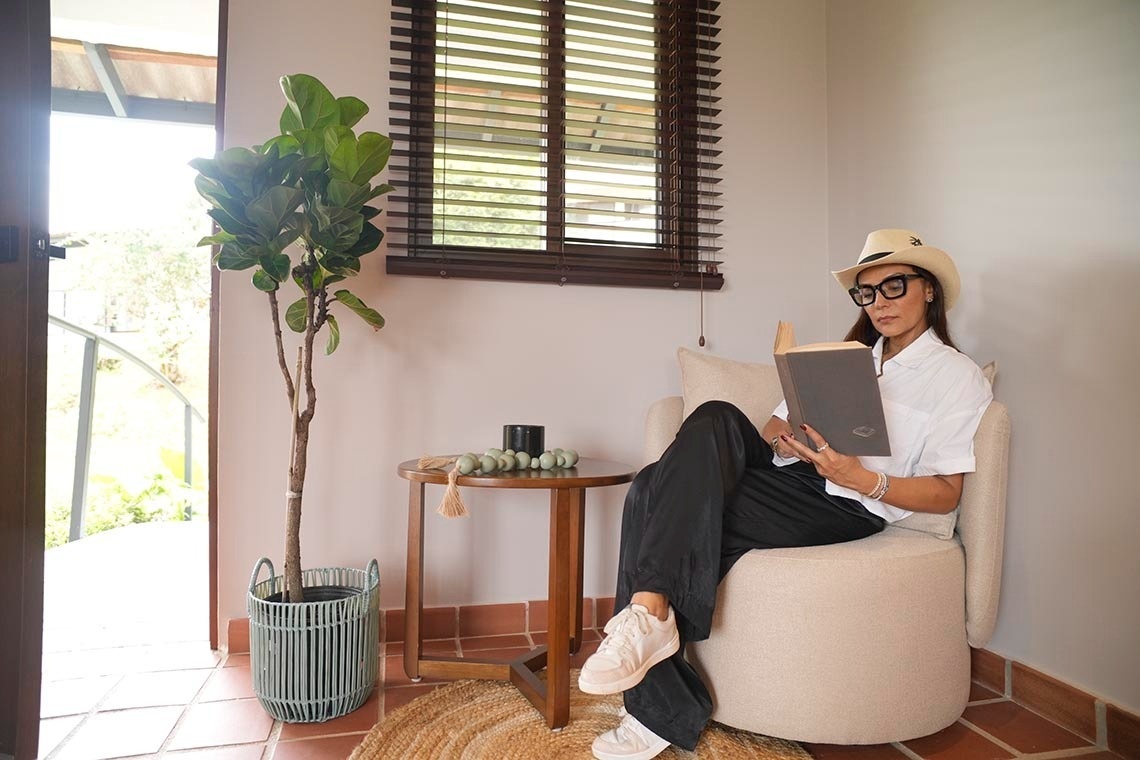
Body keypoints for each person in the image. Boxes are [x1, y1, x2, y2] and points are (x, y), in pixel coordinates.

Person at [579, 229, 993, 760]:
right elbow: (773, 426)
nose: (879, 303)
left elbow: (946, 493)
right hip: (788, 473)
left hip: (846, 501)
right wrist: (793, 442)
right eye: (867, 292)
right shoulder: (845, 358)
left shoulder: (956, 376)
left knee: (647, 490)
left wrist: (859, 477)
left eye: (894, 286)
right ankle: (653, 624)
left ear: (929, 289)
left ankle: (651, 664)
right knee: (714, 415)